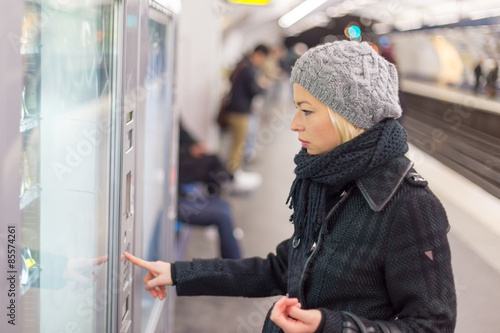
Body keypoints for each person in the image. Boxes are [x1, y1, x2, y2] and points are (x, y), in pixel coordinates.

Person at [125, 41, 456, 332]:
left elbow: (432, 326)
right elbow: (281, 269)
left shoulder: (409, 206)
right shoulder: (324, 181)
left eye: (307, 111)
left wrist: (333, 327)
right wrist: (178, 273)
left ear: (349, 117)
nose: (295, 124)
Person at [176, 122, 247, 259]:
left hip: (176, 190)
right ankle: (235, 268)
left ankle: (235, 268)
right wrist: (189, 150)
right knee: (222, 212)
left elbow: (180, 128)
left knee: (223, 207)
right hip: (172, 202)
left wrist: (193, 145)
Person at [225, 44, 269, 176]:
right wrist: (262, 86)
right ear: (258, 54)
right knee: (238, 145)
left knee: (235, 143)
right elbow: (254, 91)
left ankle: (233, 171)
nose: (261, 62)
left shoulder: (241, 65)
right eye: (262, 58)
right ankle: (234, 173)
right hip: (240, 112)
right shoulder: (248, 69)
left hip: (233, 109)